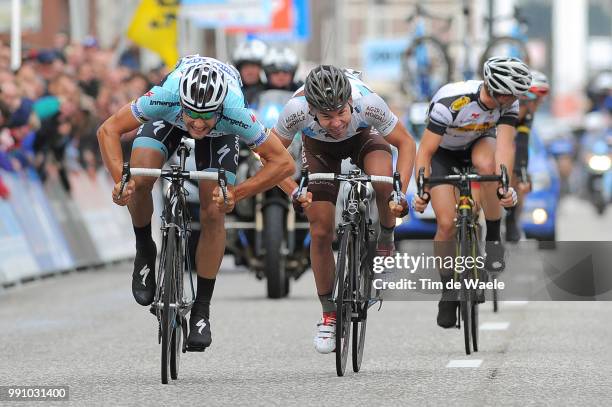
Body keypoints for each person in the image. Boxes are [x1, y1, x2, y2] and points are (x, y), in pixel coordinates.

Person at [97, 55, 295, 350]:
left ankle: (202, 309)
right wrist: (120, 181)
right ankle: (145, 247)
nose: (199, 124)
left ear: (220, 109)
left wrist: (237, 194)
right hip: (169, 119)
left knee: (213, 210)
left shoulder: (235, 112)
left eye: (206, 117)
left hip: (223, 134)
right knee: (139, 178)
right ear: (182, 103)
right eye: (193, 116)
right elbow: (108, 130)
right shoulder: (165, 97)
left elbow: (283, 164)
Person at [268, 65, 416, 354]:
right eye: (326, 116)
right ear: (311, 109)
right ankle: (329, 314)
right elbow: (268, 156)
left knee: (382, 183)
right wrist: (293, 189)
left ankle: (385, 242)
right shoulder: (294, 110)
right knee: (320, 231)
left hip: (364, 138)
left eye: (341, 113)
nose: (336, 123)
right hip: (319, 150)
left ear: (350, 102)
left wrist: (401, 190)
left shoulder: (368, 104)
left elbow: (406, 143)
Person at [412, 56, 531, 328]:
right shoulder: (451, 103)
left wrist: (505, 186)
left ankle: (492, 238)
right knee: (445, 224)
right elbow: (426, 150)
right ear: (497, 89)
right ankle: (448, 292)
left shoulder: (509, 104)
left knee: (488, 165)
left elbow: (504, 147)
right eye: (511, 93)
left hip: (479, 145)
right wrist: (423, 188)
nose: (515, 98)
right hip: (444, 153)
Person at [505, 70, 549, 242]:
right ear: (528, 97)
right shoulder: (508, 109)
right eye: (539, 98)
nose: (541, 102)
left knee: (521, 179)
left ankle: (511, 221)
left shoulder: (527, 115)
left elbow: (522, 143)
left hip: (509, 149)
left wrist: (522, 173)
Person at [232, 40, 268, 107]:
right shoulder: (232, 92)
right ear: (239, 69)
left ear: (261, 68)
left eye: (253, 66)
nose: (250, 71)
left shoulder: (269, 90)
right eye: (245, 67)